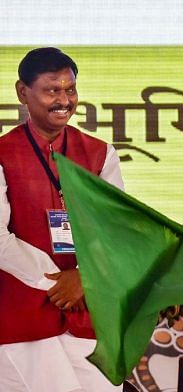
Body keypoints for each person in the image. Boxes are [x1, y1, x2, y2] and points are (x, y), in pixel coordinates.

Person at [0, 47, 124, 391]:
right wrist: (56, 282)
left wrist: (84, 277)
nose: (64, 100)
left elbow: (116, 231)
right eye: (52, 90)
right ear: (22, 92)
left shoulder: (100, 153)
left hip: (88, 312)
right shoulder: (3, 153)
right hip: (22, 319)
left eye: (70, 90)